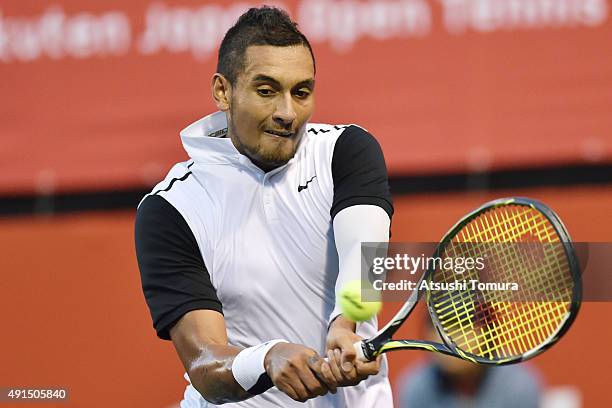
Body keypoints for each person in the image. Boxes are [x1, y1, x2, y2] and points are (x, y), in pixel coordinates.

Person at [134, 6, 394, 408]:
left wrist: (346, 322)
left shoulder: (346, 151)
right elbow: (205, 366)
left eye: (301, 92)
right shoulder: (172, 209)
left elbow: (365, 254)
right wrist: (267, 358)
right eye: (267, 90)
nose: (288, 113)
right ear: (223, 91)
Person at [397, 316, 542, 408]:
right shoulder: (415, 387)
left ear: (487, 333)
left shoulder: (519, 385)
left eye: (462, 326)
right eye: (442, 327)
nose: (451, 339)